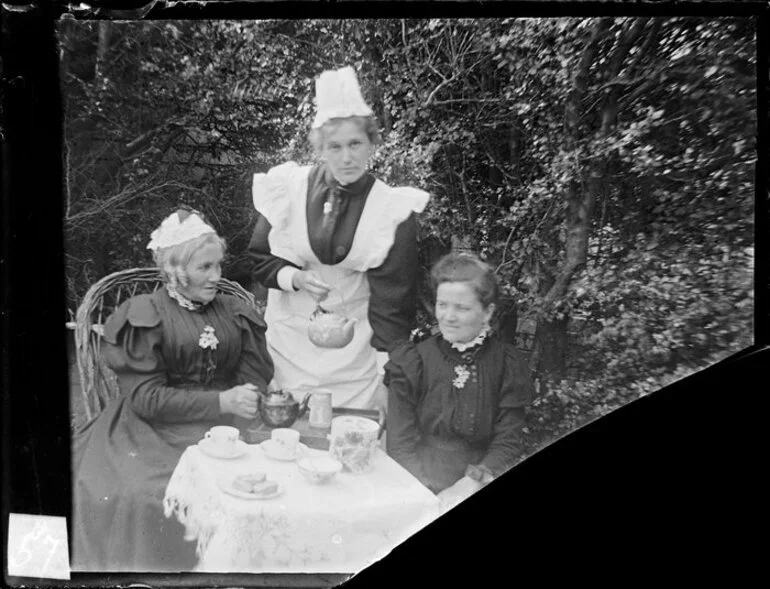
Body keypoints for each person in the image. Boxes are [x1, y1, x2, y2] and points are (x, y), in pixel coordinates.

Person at [72, 208, 274, 572]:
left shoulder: (234, 310)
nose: (216, 276)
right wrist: (220, 400)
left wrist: (248, 396)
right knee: (146, 496)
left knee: (248, 492)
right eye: (204, 268)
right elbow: (147, 399)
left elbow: (254, 372)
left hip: (221, 433)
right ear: (176, 272)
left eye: (218, 266)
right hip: (147, 431)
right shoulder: (145, 314)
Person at [248, 66, 430, 410]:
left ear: (371, 143)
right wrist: (296, 277)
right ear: (320, 147)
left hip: (354, 350)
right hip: (289, 342)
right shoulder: (290, 188)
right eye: (335, 146)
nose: (347, 157)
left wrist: (384, 377)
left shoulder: (389, 209)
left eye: (355, 143)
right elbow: (260, 259)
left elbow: (393, 302)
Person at [385, 253, 534, 511]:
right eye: (442, 305)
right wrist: (424, 496)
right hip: (416, 486)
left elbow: (509, 439)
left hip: (480, 481)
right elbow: (399, 442)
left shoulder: (506, 364)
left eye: (462, 308)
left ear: (487, 312)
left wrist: (472, 483)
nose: (448, 316)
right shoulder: (414, 361)